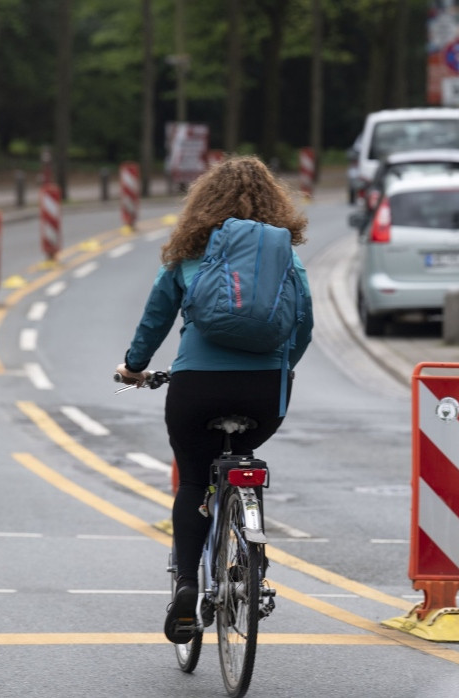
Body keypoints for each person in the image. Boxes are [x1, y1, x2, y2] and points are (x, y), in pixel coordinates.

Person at [115, 156, 313, 643]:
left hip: (196, 389)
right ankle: (248, 544)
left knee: (192, 482)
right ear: (276, 205)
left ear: (203, 204)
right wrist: (281, 368)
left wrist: (134, 368)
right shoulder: (286, 256)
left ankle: (187, 587)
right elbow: (303, 325)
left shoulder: (188, 256)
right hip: (264, 394)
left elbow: (155, 320)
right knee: (244, 455)